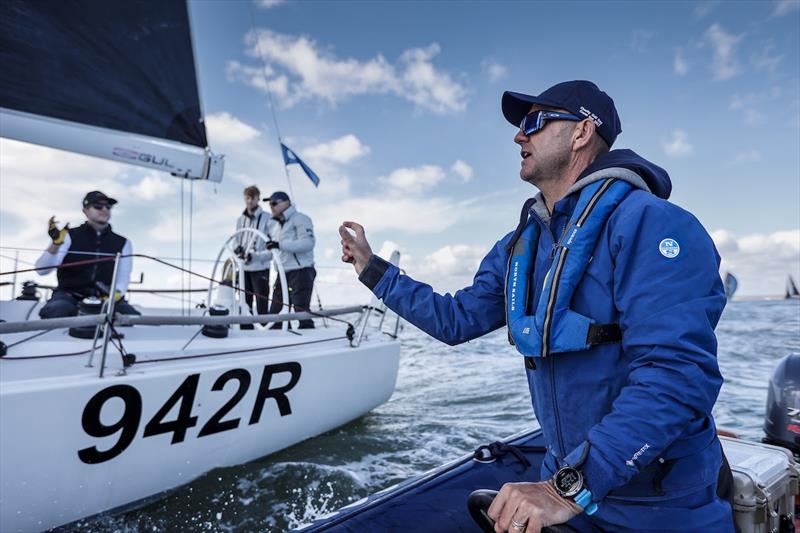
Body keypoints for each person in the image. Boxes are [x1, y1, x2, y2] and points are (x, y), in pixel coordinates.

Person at [339, 81, 734, 533]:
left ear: (583, 132)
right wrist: (373, 269)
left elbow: (678, 375)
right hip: (569, 486)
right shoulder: (519, 247)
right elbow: (455, 319)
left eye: (534, 122)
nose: (518, 136)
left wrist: (564, 488)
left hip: (659, 505)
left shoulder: (654, 224)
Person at [35, 191, 140, 319]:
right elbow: (42, 270)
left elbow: (123, 277)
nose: (104, 210)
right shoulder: (67, 236)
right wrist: (56, 244)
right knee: (56, 311)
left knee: (133, 318)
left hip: (106, 298)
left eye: (108, 207)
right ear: (85, 211)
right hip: (69, 296)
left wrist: (115, 295)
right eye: (98, 206)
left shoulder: (123, 243)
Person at [264, 191, 317, 329]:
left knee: (301, 312)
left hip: (301, 272)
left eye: (274, 203)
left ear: (286, 203)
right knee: (275, 315)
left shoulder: (300, 219)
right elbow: (272, 253)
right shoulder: (275, 226)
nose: (271, 206)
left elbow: (308, 243)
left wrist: (279, 244)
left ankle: (309, 345)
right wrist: (251, 256)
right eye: (270, 204)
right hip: (283, 273)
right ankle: (278, 345)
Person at [234, 185, 272, 329]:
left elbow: (271, 248)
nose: (250, 201)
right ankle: (245, 330)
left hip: (260, 268)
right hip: (243, 268)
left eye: (253, 198)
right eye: (247, 198)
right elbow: (236, 240)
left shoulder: (268, 218)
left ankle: (264, 332)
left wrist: (254, 256)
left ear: (258, 198)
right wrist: (237, 250)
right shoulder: (240, 220)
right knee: (244, 302)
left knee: (262, 304)